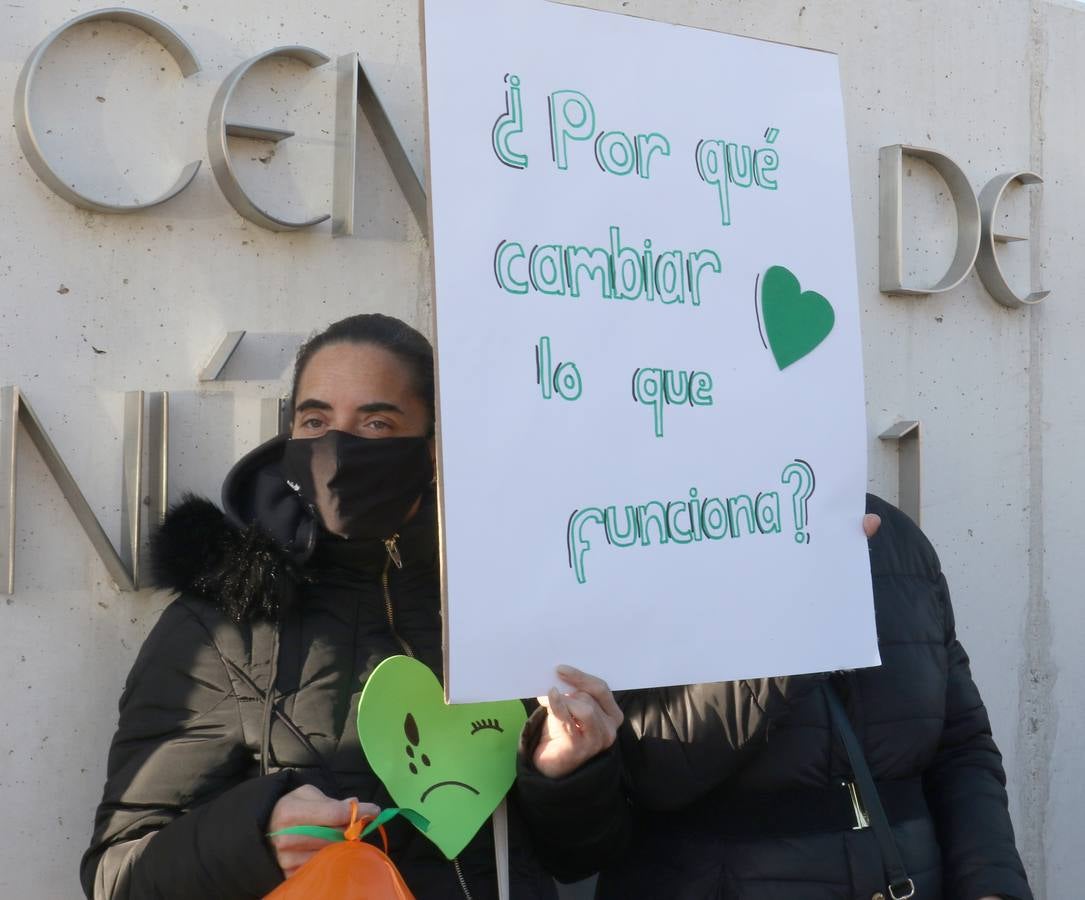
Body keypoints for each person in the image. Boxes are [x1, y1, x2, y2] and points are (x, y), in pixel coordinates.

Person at [81, 314, 559, 899]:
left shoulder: (509, 601)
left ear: (434, 446)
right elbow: (117, 874)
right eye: (316, 419)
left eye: (377, 422)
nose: (339, 445)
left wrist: (570, 773)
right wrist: (258, 836)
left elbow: (578, 851)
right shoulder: (221, 622)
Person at [515, 500, 1035, 900]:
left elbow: (960, 749)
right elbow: (647, 772)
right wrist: (798, 625)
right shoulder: (634, 539)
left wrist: (991, 884)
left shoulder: (896, 540)